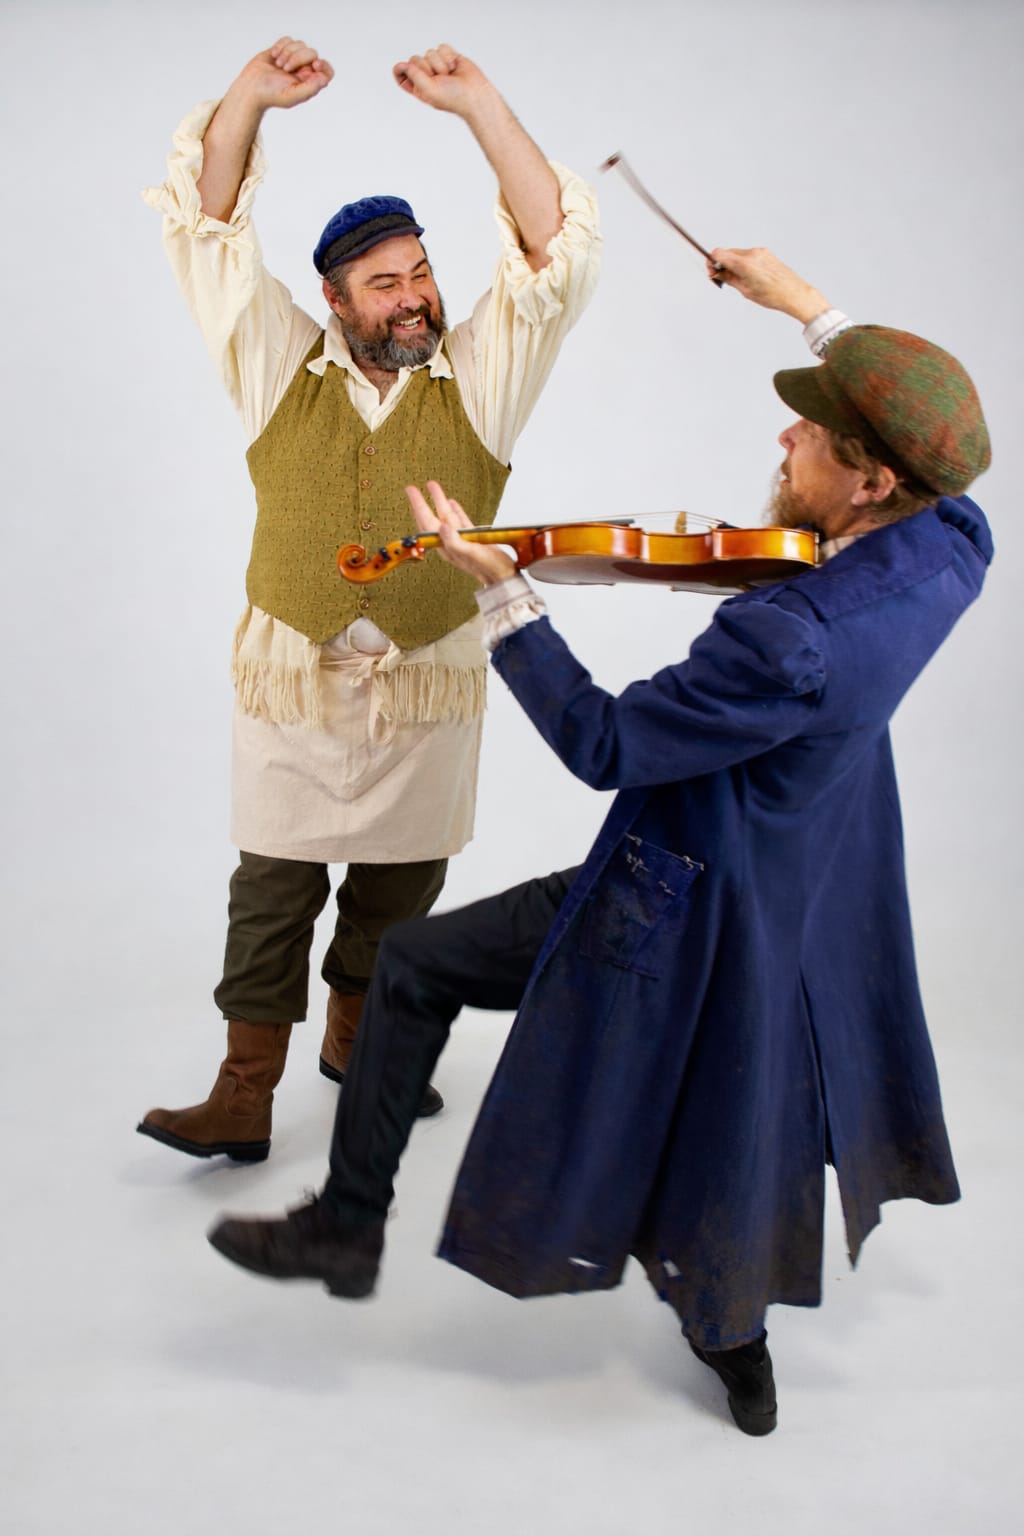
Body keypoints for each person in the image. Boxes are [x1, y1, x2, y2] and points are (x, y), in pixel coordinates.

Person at [206, 247, 992, 1436]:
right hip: (801, 886)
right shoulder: (950, 549)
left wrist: (501, 593)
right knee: (733, 1110)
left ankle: (346, 1229)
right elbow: (934, 449)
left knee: (414, 965)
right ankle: (732, 1338)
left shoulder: (786, 637)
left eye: (813, 437)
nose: (784, 440)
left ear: (872, 480)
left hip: (676, 894)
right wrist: (804, 307)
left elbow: (605, 742)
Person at [136, 38, 600, 1160]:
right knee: (270, 892)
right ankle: (244, 1092)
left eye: (420, 274)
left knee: (399, 891)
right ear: (335, 300)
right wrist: (249, 98)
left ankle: (357, 1045)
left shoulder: (480, 380)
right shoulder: (273, 365)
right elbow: (207, 235)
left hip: (425, 681)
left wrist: (479, 103)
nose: (414, 298)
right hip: (292, 677)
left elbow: (555, 260)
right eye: (384, 284)